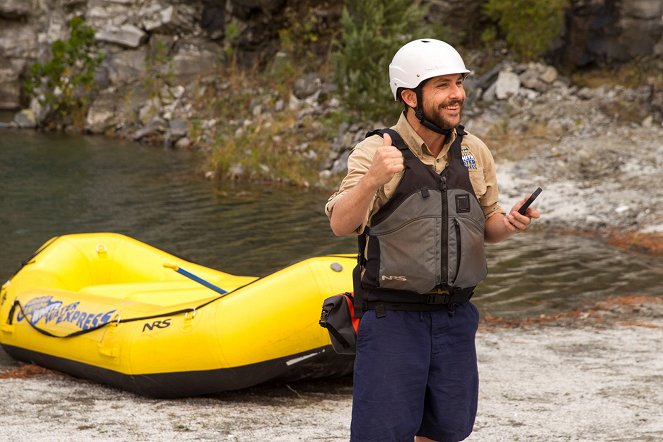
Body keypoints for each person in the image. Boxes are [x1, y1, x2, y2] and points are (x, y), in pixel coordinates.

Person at [325, 39, 541, 442]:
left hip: (456, 318)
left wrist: (509, 223)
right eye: (442, 85)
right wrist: (372, 178)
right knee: (383, 434)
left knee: (446, 431)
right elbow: (340, 222)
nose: (456, 94)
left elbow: (487, 227)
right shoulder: (376, 150)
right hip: (393, 319)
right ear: (409, 96)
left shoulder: (474, 149)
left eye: (458, 83)